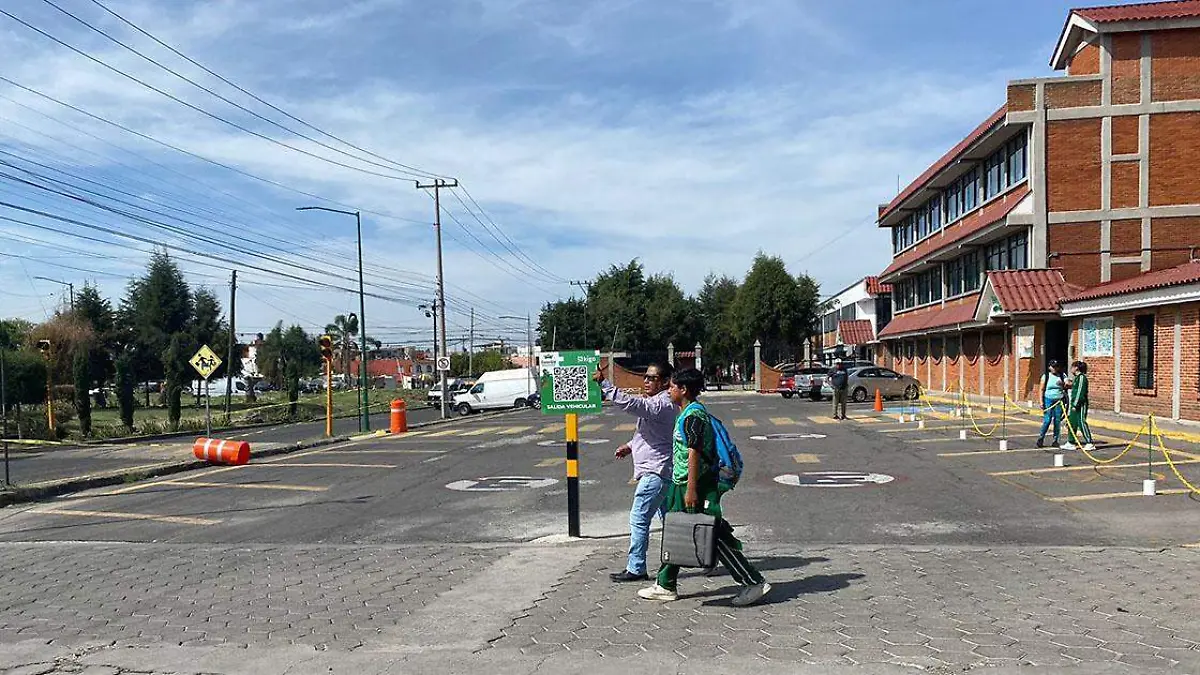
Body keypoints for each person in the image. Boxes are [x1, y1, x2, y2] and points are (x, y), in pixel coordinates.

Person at [638, 368, 771, 606]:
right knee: (677, 531)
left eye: (672, 387)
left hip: (696, 486)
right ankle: (666, 583)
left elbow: (694, 452)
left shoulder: (693, 416)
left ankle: (753, 581)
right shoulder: (686, 413)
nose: (669, 391)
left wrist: (691, 489)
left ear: (684, 390)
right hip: (681, 483)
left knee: (711, 535)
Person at [593, 362, 677, 582]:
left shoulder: (661, 403)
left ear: (666, 381)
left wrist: (605, 384)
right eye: (645, 377)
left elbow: (630, 404)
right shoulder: (659, 403)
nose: (647, 382)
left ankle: (637, 567)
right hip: (660, 469)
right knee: (671, 521)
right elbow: (651, 435)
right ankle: (681, 559)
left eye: (652, 378)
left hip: (655, 472)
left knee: (639, 518)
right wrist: (630, 446)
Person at [1062, 361, 1094, 452]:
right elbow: (1075, 388)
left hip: (1080, 404)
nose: (1071, 369)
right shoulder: (1076, 378)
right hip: (1074, 403)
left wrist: (1075, 404)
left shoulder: (1081, 378)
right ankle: (1071, 442)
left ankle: (1089, 442)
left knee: (1081, 422)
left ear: (1076, 368)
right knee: (1072, 422)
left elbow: (1080, 392)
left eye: (1072, 367)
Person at [1036, 360, 1068, 448]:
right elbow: (1041, 389)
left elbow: (1068, 384)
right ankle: (1041, 438)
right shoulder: (1046, 376)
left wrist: (1063, 384)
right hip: (1048, 399)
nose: (1055, 368)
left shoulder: (1062, 375)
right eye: (1053, 367)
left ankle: (1055, 440)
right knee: (1047, 420)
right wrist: (1041, 401)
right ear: (1049, 367)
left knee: (1057, 421)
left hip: (1059, 400)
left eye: (1056, 366)